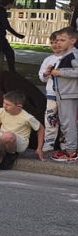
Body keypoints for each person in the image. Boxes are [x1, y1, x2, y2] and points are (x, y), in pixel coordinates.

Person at [42, 27, 78, 162]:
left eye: (63, 40)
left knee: (69, 123)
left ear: (73, 41)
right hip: (62, 94)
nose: (59, 43)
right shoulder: (64, 56)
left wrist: (60, 73)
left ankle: (71, 151)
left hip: (69, 94)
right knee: (64, 122)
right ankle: (69, 148)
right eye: (57, 40)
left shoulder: (73, 55)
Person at [0, 90, 44, 171]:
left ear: (19, 106)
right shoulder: (0, 111)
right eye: (4, 103)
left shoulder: (27, 117)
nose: (4, 106)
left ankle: (11, 154)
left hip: (19, 142)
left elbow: (40, 128)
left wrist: (39, 148)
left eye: (8, 105)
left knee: (8, 136)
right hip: (4, 138)